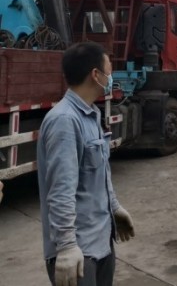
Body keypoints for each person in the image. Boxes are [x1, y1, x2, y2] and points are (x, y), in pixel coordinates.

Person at [37, 42, 135, 286]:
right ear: (95, 74)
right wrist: (67, 247)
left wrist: (114, 207)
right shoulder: (64, 121)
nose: (111, 77)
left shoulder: (91, 115)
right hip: (79, 254)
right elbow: (60, 191)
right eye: (109, 70)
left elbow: (99, 172)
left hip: (101, 242)